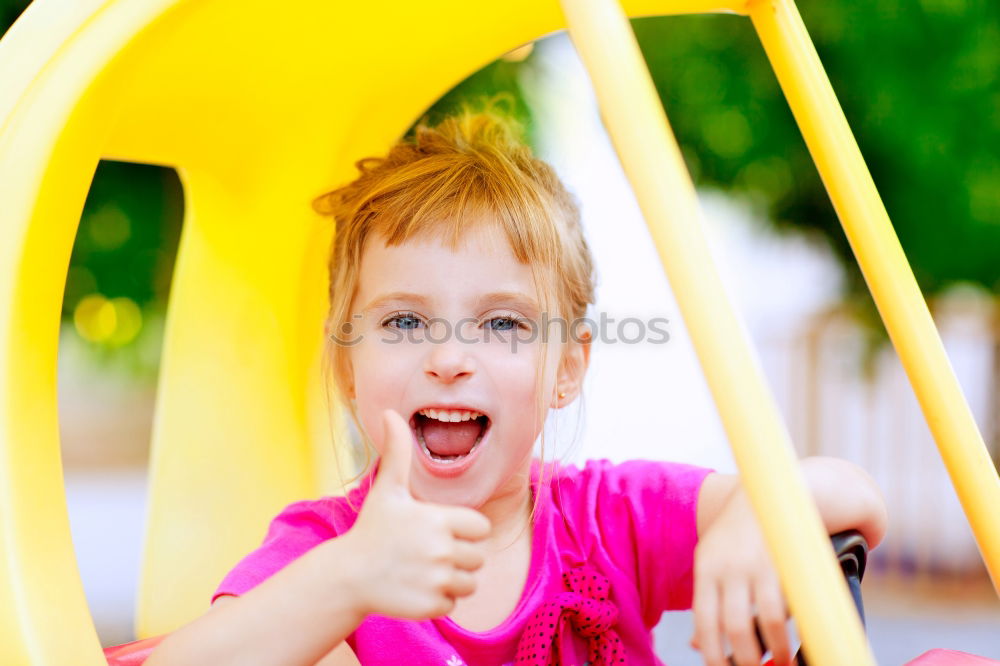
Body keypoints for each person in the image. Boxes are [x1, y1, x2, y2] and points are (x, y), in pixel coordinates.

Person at [145, 103, 887, 666]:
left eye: (502, 325)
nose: (448, 358)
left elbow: (854, 494)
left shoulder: (608, 521)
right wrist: (348, 580)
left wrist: (760, 512)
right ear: (347, 367)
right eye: (404, 323)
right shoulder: (328, 546)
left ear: (567, 368)